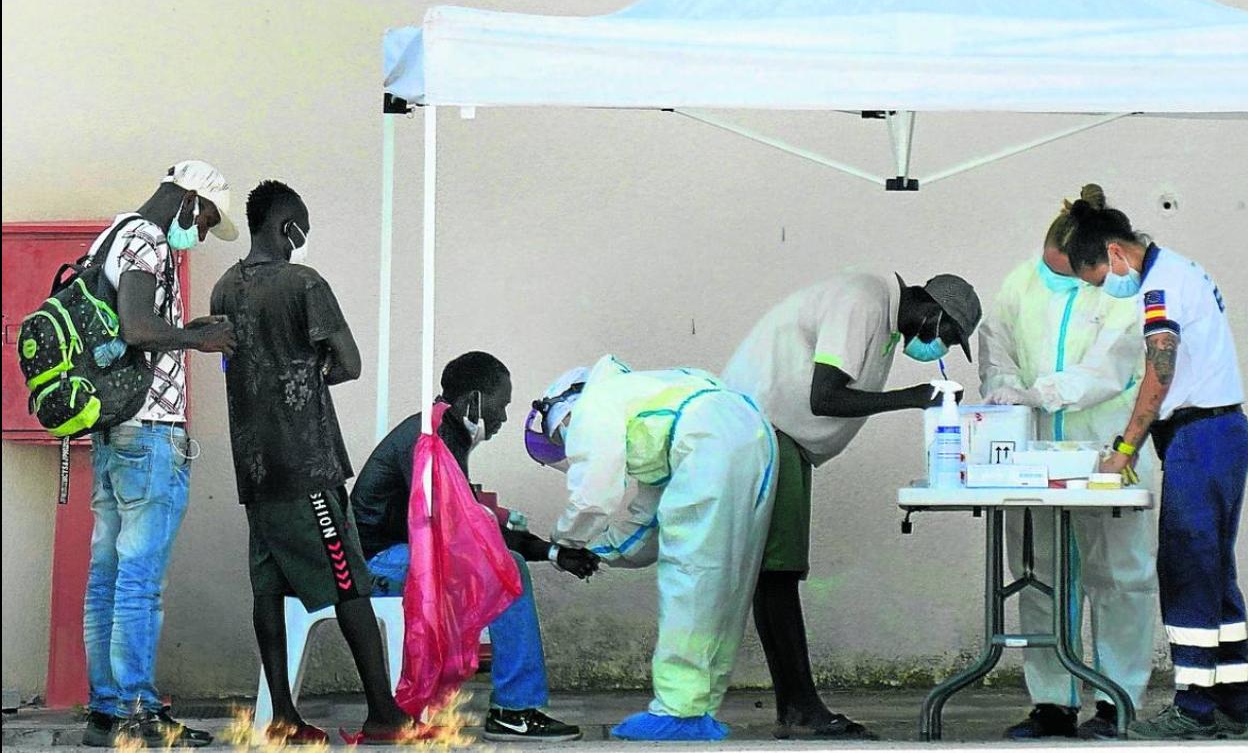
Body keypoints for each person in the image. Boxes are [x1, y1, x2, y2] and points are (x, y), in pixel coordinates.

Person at [720, 271, 982, 739]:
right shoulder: (863, 301)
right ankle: (801, 709)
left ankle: (794, 708)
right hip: (767, 432)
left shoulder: (881, 315)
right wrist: (913, 398)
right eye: (948, 335)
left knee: (774, 575)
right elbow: (824, 397)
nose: (940, 347)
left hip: (779, 437)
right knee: (777, 576)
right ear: (932, 311)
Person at [210, 180, 413, 745]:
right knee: (349, 584)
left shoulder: (224, 289)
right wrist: (309, 369)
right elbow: (349, 362)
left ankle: (282, 717)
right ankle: (383, 714)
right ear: (285, 227)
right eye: (302, 229)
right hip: (307, 465)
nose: (303, 240)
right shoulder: (304, 283)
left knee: (269, 590)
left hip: (254, 471)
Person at [979, 184, 1158, 740]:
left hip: (1108, 453)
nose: (1060, 280)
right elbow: (996, 342)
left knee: (1120, 579)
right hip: (1031, 458)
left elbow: (1111, 368)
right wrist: (1006, 385)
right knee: (1039, 578)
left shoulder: (1123, 290)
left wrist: (1043, 392)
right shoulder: (1022, 281)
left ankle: (1116, 700)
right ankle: (1052, 703)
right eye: (1053, 270)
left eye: (1069, 272)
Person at [1066, 198, 1247, 741]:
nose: (1103, 289)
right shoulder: (1185, 268)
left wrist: (1124, 446)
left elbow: (1159, 373)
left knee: (1188, 570)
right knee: (1214, 574)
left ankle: (1192, 708)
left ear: (1115, 253)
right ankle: (1236, 697)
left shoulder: (1159, 286)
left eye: (1098, 278)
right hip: (1221, 433)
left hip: (1199, 436)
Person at [527, 355, 777, 741]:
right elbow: (644, 527)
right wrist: (598, 550)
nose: (567, 448)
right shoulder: (645, 405)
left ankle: (678, 711)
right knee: (727, 582)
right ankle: (701, 706)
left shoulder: (594, 404)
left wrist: (565, 541)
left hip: (709, 442)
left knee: (691, 578)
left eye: (561, 440)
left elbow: (592, 498)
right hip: (750, 435)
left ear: (562, 414)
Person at [352, 351, 591, 743]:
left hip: (404, 552)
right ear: (475, 401)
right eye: (502, 405)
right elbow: (462, 535)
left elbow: (467, 529)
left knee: (506, 564)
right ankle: (515, 709)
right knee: (506, 568)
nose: (504, 418)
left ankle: (515, 704)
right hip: (378, 563)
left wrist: (552, 552)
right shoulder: (430, 439)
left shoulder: (444, 432)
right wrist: (544, 551)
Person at [81, 161, 238, 748]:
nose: (199, 233)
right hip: (149, 433)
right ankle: (138, 713)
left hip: (115, 427)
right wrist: (195, 338)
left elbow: (138, 328)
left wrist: (184, 327)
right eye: (205, 220)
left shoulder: (113, 233)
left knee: (108, 574)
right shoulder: (148, 238)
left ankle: (106, 709)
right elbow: (140, 329)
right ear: (190, 201)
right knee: (139, 580)